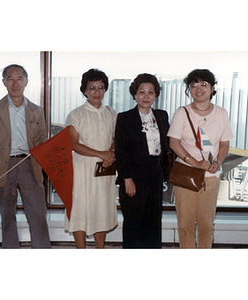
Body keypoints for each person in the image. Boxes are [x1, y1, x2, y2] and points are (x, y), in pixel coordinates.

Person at [0, 64, 51, 249]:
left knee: (38, 215)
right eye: (10, 78)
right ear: (4, 82)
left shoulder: (36, 110)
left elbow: (43, 142)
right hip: (3, 167)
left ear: (26, 81)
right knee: (7, 216)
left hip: (30, 166)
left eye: (19, 78)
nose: (15, 83)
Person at [167, 69, 234, 249]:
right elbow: (174, 143)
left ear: (213, 88)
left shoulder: (221, 113)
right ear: (189, 90)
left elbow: (224, 144)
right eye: (193, 85)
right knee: (185, 224)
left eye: (204, 84)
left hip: (211, 177)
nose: (199, 89)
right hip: (186, 175)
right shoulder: (181, 113)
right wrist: (195, 162)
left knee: (206, 224)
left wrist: (217, 163)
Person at [115, 73, 170, 248]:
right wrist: (127, 178)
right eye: (142, 92)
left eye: (150, 92)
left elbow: (168, 145)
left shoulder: (162, 116)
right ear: (134, 95)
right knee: (133, 223)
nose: (146, 96)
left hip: (155, 175)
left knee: (153, 223)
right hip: (133, 177)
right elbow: (121, 150)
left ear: (155, 95)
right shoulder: (124, 118)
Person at [65, 68, 117, 249]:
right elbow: (73, 144)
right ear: (84, 90)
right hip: (82, 169)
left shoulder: (111, 113)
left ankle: (100, 249)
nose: (96, 92)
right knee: (81, 208)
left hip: (105, 169)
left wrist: (110, 153)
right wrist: (101, 154)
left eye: (100, 87)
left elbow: (114, 138)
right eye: (92, 88)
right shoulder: (76, 114)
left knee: (101, 208)